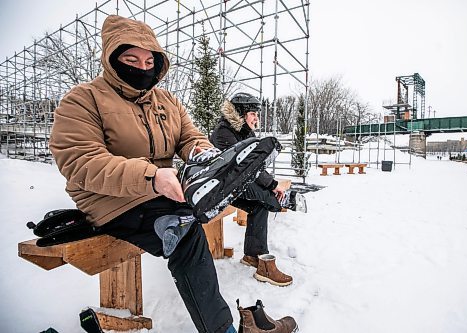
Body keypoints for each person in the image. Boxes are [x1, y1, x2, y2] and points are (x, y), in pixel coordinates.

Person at [49, 15, 297, 333]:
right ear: (111, 58)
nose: (141, 66)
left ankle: (206, 188)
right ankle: (224, 328)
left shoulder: (166, 101)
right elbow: (80, 161)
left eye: (148, 59)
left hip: (161, 191)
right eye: (130, 59)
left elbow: (189, 137)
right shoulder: (83, 100)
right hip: (109, 200)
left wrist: (202, 155)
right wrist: (151, 176)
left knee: (187, 218)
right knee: (186, 231)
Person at [210, 92, 305, 287]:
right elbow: (245, 166)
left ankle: (253, 255)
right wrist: (272, 185)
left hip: (235, 185)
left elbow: (257, 165)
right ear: (241, 113)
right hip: (218, 189)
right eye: (253, 113)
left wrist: (272, 182)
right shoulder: (223, 133)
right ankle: (282, 201)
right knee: (265, 198)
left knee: (258, 207)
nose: (256, 119)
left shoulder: (246, 133)